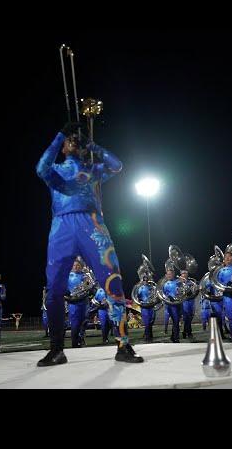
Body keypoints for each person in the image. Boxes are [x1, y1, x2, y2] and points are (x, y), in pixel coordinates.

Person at [36, 125, 143, 365]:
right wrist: (60, 134)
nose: (73, 142)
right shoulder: (55, 170)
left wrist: (91, 144)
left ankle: (123, 345)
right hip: (61, 227)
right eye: (69, 141)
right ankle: (56, 349)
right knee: (54, 289)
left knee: (112, 282)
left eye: (76, 141)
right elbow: (40, 167)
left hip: (93, 224)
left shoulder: (93, 170)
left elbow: (117, 165)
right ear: (63, 148)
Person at [179, 270, 196, 339]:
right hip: (184, 302)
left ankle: (185, 331)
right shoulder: (179, 283)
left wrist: (192, 292)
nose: (184, 275)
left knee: (190, 316)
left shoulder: (191, 282)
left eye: (186, 273)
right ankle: (189, 332)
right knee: (187, 317)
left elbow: (195, 290)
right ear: (181, 274)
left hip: (191, 301)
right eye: (183, 273)